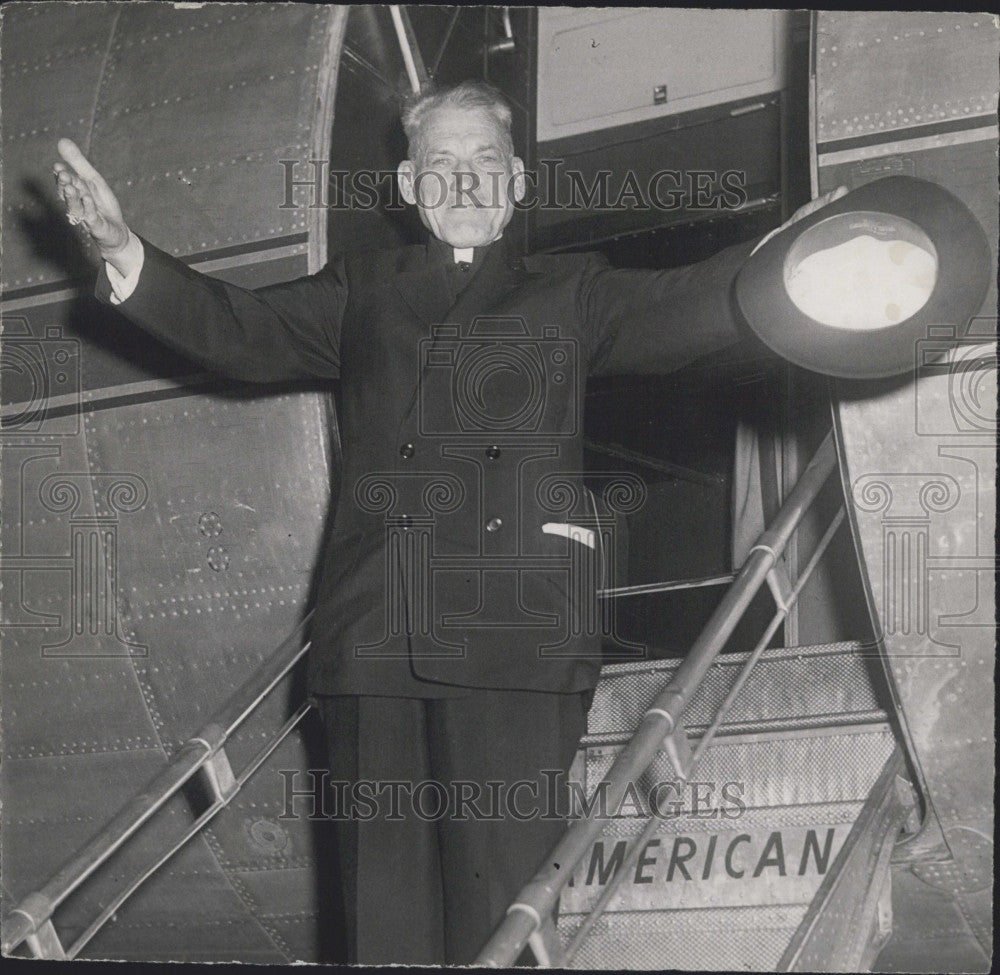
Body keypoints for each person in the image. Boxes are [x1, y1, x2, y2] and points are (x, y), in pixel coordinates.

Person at [54, 80, 842, 965]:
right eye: (441, 163)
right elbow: (239, 329)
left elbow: (690, 304)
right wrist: (126, 250)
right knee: (382, 925)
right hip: (376, 638)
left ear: (516, 185)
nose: (463, 180)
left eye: (484, 162)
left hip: (514, 635)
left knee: (502, 920)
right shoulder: (362, 291)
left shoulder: (572, 291)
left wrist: (801, 256)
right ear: (407, 186)